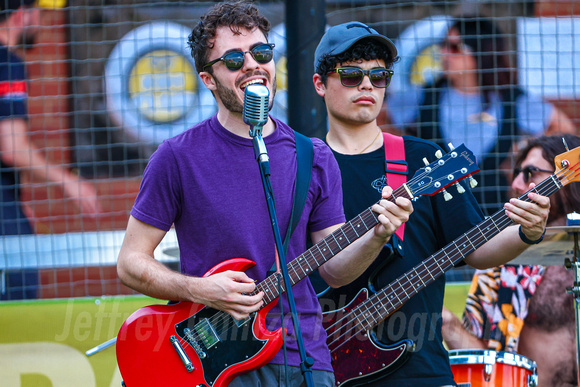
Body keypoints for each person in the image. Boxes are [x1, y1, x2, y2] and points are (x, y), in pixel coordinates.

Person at [116, 2, 413, 386]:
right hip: (216, 361)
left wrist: (378, 235)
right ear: (209, 79)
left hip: (306, 357)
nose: (253, 65)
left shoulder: (313, 156)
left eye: (262, 53)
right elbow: (130, 262)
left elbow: (336, 271)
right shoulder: (177, 157)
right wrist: (201, 290)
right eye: (235, 59)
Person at [312, 21, 550, 386]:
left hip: (420, 369)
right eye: (350, 75)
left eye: (378, 75)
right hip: (321, 369)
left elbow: (476, 247)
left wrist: (527, 232)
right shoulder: (300, 165)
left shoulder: (424, 159)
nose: (366, 85)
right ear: (319, 83)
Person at [389, 16, 575, 216]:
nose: (443, 53)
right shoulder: (424, 95)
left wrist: (524, 150)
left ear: (481, 52)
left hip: (492, 211)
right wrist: (407, 151)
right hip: (432, 210)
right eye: (443, 45)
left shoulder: (511, 99)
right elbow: (381, 121)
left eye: (454, 47)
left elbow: (564, 129)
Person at [442, 134, 580, 387]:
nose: (516, 183)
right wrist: (443, 321)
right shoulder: (498, 262)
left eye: (530, 173)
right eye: (516, 173)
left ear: (569, 178)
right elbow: (482, 361)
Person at [0, 0, 100, 235]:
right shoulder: (8, 63)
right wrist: (69, 182)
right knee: (22, 271)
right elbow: (12, 147)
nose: (42, 22)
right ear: (21, 14)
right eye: (39, 13)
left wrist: (14, 205)